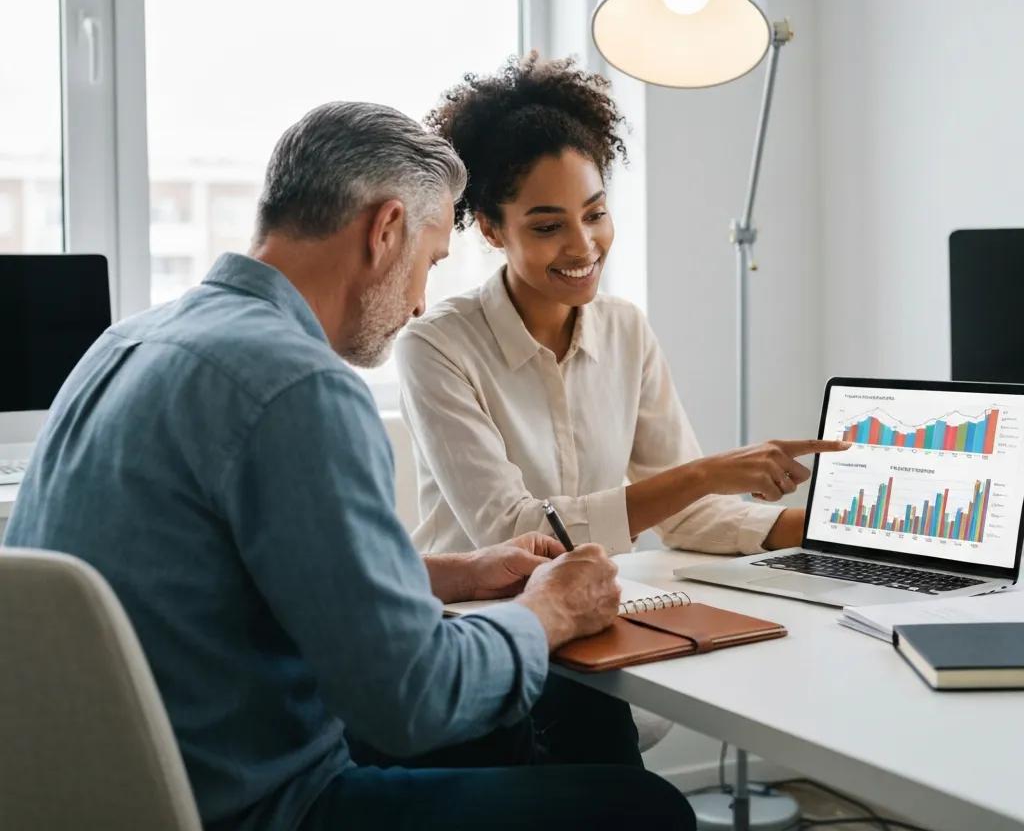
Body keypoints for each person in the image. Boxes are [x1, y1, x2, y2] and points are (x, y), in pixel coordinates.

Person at [3, 102, 695, 830]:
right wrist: (547, 611)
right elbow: (414, 702)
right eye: (428, 261)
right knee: (645, 811)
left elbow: (230, 573)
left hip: (115, 790)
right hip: (268, 806)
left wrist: (453, 574)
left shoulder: (123, 345)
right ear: (385, 229)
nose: (422, 300)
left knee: (559, 709)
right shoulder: (298, 384)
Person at [396, 55, 850, 559]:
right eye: (548, 226)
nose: (583, 245)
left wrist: (846, 529)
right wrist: (704, 474)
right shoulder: (436, 346)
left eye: (595, 214)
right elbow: (513, 532)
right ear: (491, 228)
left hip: (594, 609)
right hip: (476, 621)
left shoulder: (625, 330)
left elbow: (692, 515)